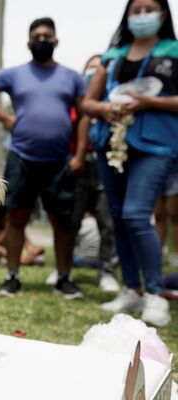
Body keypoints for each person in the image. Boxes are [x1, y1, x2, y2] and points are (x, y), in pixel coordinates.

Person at [0, 17, 86, 299]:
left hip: (61, 159)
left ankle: (64, 278)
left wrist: (80, 154)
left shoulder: (72, 78)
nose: (42, 39)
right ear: (28, 42)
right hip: (22, 156)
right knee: (16, 217)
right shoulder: (15, 74)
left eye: (47, 35)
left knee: (62, 220)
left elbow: (84, 117)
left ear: (56, 41)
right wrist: (7, 119)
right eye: (37, 35)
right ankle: (12, 277)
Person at [83, 0, 178, 326]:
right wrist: (105, 109)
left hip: (155, 146)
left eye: (148, 9)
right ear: (127, 16)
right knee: (119, 220)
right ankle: (132, 289)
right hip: (112, 146)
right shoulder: (112, 57)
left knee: (137, 215)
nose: (141, 16)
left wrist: (149, 102)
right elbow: (88, 103)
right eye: (135, 10)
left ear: (162, 14)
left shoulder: (173, 52)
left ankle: (154, 293)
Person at [69, 55, 120, 293]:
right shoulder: (73, 102)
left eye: (97, 68)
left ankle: (107, 271)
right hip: (76, 165)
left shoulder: (114, 99)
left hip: (105, 163)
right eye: (89, 67)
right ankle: (63, 268)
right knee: (71, 218)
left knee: (106, 220)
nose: (93, 72)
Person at [154, 162, 178, 268]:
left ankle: (177, 254)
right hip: (154, 167)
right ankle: (159, 254)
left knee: (175, 214)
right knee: (158, 215)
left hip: (174, 168)